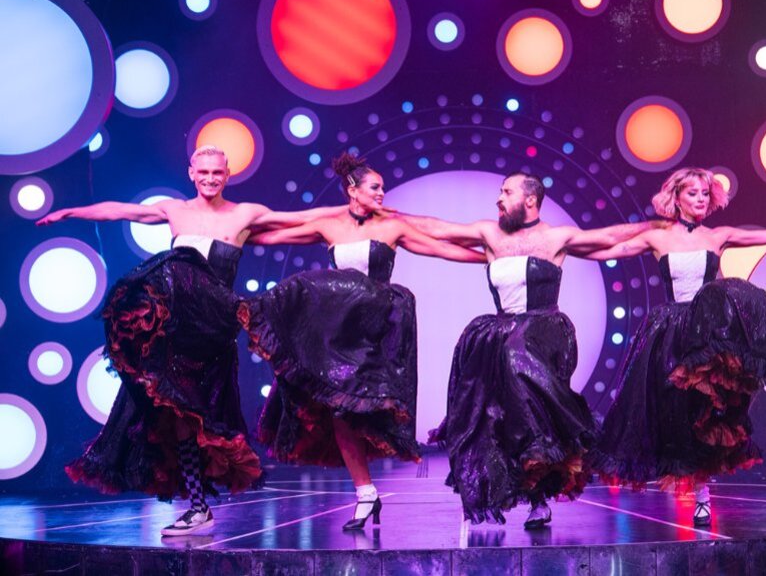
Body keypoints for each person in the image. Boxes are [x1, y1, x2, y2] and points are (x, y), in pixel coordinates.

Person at [37, 145, 341, 536]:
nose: (210, 178)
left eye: (217, 172)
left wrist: (350, 214)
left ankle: (200, 504)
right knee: (179, 413)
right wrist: (70, 212)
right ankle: (198, 509)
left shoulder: (244, 213)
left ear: (227, 175)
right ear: (192, 173)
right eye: (204, 172)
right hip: (177, 329)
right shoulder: (174, 210)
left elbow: (302, 218)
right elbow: (119, 210)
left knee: (201, 413)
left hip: (213, 329)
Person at [239, 152, 486, 531]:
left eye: (383, 187)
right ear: (352, 190)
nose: (382, 193)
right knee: (339, 412)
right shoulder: (329, 224)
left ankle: (370, 489)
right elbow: (273, 235)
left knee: (364, 412)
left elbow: (439, 247)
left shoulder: (392, 226)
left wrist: (489, 258)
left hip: (374, 331)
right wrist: (232, 235)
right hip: (338, 333)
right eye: (375, 187)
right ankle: (366, 494)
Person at [578, 167, 766, 526]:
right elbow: (607, 249)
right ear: (676, 198)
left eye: (705, 193)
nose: (700, 199)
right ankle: (680, 477)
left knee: (702, 411)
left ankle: (702, 493)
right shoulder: (658, 237)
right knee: (668, 408)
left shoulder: (718, 236)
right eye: (693, 193)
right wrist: (558, 250)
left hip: (706, 333)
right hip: (669, 331)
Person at [400, 172, 657, 528]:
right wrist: (388, 217)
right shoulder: (490, 233)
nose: (499, 198)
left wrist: (658, 226)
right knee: (501, 413)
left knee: (518, 362)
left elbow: (611, 237)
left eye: (506, 192)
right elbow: (438, 228)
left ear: (530, 199)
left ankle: (562, 457)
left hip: (544, 331)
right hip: (502, 333)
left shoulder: (556, 237)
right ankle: (535, 500)